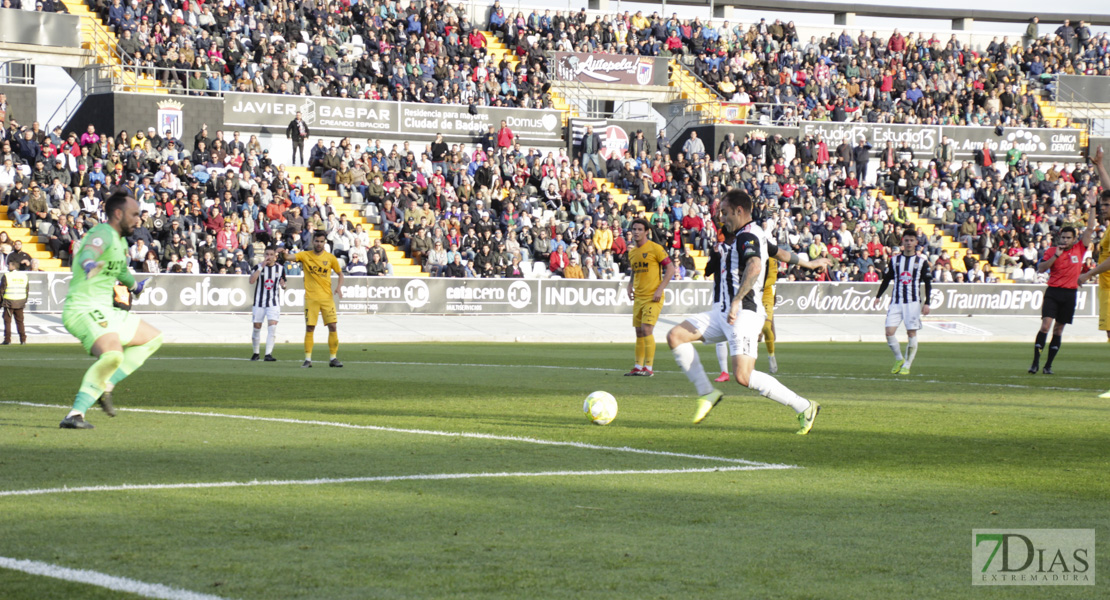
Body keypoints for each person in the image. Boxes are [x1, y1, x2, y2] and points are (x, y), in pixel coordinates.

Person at [667, 189, 820, 434]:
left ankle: (804, 406)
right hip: (721, 311)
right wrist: (808, 263)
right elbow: (778, 253)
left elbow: (756, 265)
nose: (721, 217)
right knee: (676, 336)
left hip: (743, 313)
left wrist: (738, 300)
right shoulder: (752, 234)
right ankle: (707, 393)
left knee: (743, 376)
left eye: (725, 213)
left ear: (739, 211)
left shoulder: (746, 236)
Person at [59, 191, 163, 429]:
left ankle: (106, 384)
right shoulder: (102, 232)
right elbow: (89, 252)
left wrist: (135, 286)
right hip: (83, 308)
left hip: (106, 310)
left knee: (153, 338)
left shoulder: (120, 242)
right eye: (134, 214)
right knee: (113, 354)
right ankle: (75, 414)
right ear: (118, 214)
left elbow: (120, 271)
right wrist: (88, 263)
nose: (139, 219)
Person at [1031, 208, 1095, 375]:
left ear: (1075, 239)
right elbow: (1041, 268)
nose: (1065, 240)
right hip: (1053, 292)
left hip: (1069, 294)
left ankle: (1048, 366)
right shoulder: (1052, 251)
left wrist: (1093, 208)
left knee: (1058, 330)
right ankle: (1035, 362)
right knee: (1045, 326)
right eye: (1063, 237)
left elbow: (1089, 229)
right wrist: (1056, 257)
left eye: (1068, 238)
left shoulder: (1080, 249)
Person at [875, 228, 933, 375]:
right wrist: (878, 296)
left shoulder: (921, 262)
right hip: (896, 301)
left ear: (916, 242)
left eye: (911, 240)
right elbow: (887, 279)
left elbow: (928, 283)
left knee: (911, 333)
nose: (908, 243)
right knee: (889, 332)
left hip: (913, 302)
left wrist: (927, 302)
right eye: (906, 240)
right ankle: (899, 358)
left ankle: (907, 364)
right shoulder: (895, 260)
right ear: (903, 242)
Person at [284, 231, 344, 368]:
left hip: (327, 298)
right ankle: (308, 359)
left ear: (325, 243)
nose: (319, 244)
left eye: (322, 241)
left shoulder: (330, 258)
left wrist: (339, 287)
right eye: (317, 241)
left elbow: (340, 274)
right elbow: (288, 257)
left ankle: (333, 358)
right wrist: (283, 253)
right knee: (310, 328)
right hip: (311, 298)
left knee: (333, 326)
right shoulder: (305, 255)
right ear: (313, 241)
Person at [624, 218, 676, 377]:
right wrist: (630, 284)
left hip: (653, 296)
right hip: (639, 297)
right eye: (634, 229)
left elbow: (671, 269)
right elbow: (634, 270)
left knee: (646, 329)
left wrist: (660, 289)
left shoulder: (656, 248)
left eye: (640, 229)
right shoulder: (632, 252)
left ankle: (649, 368)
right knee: (639, 331)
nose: (636, 232)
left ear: (647, 232)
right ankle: (638, 367)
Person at [249, 246, 286, 362]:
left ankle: (268, 354)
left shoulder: (280, 269)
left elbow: (284, 284)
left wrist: (283, 285)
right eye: (267, 254)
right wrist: (261, 267)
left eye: (271, 254)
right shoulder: (258, 266)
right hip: (259, 303)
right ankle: (256, 353)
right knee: (256, 328)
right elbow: (251, 281)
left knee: (272, 327)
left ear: (275, 256)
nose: (269, 257)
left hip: (273, 303)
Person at [1, 258, 30, 345]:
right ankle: (23, 340)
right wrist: (24, 301)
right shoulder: (24, 276)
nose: (8, 266)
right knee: (20, 322)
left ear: (13, 267)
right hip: (20, 302)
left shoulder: (7, 276)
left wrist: (0, 303)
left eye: (9, 265)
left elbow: (1, 290)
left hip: (9, 302)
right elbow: (27, 290)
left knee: (7, 321)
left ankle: (7, 340)